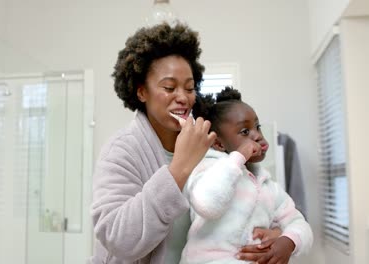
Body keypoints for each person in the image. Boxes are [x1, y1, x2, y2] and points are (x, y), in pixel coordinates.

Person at [90, 23, 282, 264]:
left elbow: (247, 201)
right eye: (169, 87)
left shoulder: (210, 144)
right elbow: (118, 239)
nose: (183, 97)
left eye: (190, 88)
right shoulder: (121, 151)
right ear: (141, 92)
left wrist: (275, 233)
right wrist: (179, 168)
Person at [180, 87, 313, 264]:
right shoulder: (208, 169)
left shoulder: (268, 186)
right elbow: (207, 205)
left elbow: (300, 223)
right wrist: (238, 157)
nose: (257, 135)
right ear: (218, 143)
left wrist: (288, 242)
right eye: (245, 132)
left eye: (257, 127)